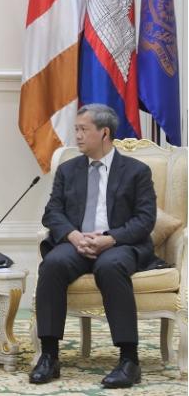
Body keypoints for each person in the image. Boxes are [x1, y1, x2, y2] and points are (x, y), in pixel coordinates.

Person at [30, 104, 157, 389]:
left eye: (83, 129)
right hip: (77, 242)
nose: (77, 135)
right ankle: (49, 356)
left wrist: (110, 239)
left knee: (110, 266)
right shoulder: (68, 170)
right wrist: (73, 236)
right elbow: (52, 212)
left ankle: (129, 360)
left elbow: (145, 219)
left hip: (118, 243)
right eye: (76, 129)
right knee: (52, 264)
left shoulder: (136, 171)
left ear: (104, 133)